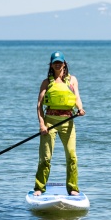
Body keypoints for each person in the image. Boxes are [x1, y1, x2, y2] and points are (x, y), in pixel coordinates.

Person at [34, 51, 85, 196]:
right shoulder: (46, 82)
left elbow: (77, 98)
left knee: (72, 156)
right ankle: (39, 187)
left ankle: (73, 188)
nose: (58, 64)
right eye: (55, 62)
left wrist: (80, 108)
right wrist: (42, 125)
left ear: (64, 64)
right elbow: (39, 105)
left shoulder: (72, 80)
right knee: (45, 158)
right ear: (51, 65)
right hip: (50, 122)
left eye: (60, 62)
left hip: (67, 122)